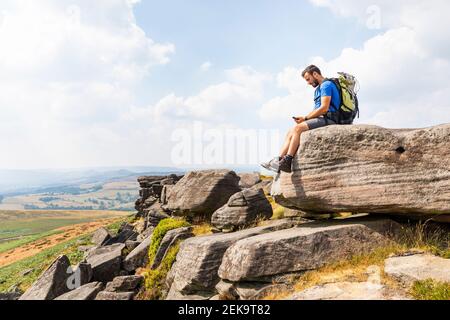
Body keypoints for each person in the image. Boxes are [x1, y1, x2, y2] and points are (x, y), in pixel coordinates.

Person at [261, 65, 342, 173]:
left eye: (308, 79)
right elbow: (318, 110)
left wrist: (306, 118)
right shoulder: (319, 89)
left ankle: (288, 160)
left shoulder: (326, 85)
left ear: (315, 74)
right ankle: (278, 160)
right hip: (322, 118)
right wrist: (305, 119)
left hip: (330, 119)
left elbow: (324, 108)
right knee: (292, 130)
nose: (308, 83)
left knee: (298, 129)